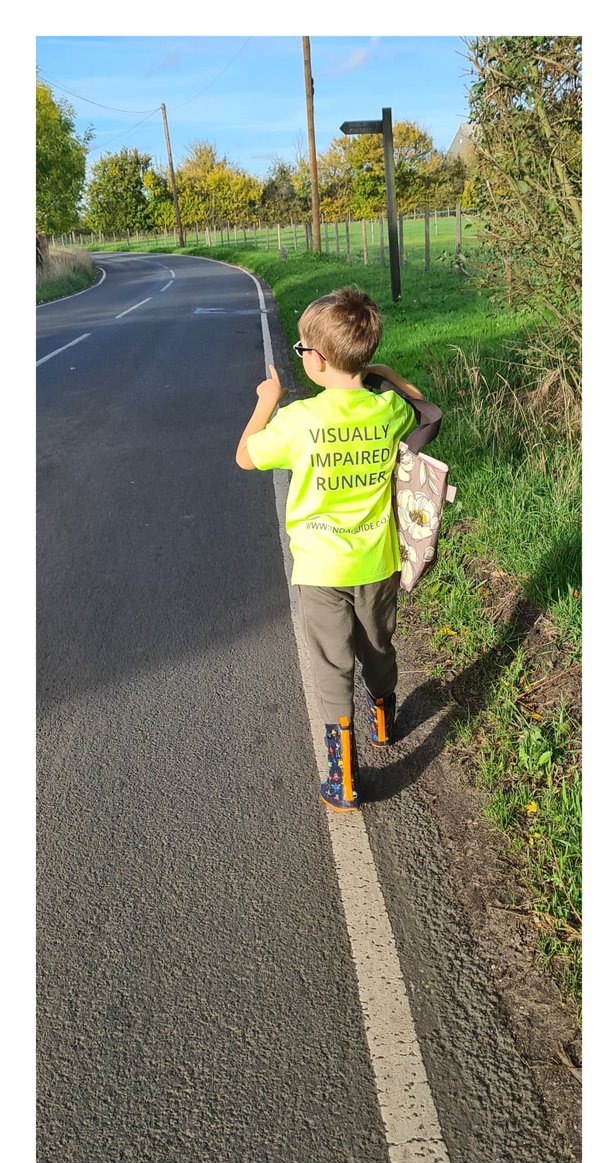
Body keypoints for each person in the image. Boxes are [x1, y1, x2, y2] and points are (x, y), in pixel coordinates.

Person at [235, 287, 425, 811]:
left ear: (317, 362)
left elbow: (245, 458)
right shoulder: (387, 409)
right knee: (378, 646)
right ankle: (383, 718)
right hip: (378, 561)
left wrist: (265, 402)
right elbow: (426, 411)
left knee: (331, 664)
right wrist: (381, 371)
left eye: (301, 350)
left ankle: (342, 774)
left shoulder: (299, 421)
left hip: (320, 567)